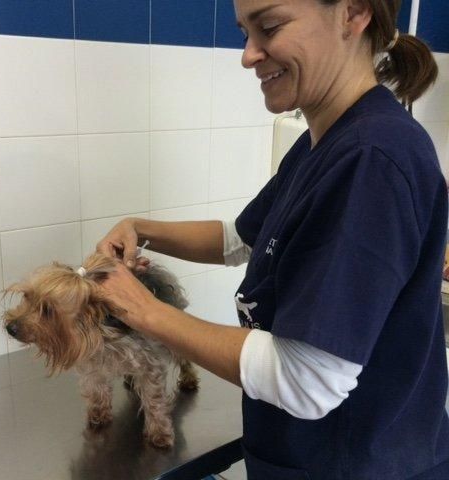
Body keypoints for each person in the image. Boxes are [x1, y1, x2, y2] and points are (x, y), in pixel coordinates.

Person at [95, 0, 449, 478]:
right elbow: (241, 240)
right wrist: (143, 229)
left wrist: (144, 310)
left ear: (353, 13)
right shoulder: (322, 140)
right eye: (245, 32)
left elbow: (306, 381)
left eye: (269, 27)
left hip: (353, 462)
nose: (248, 55)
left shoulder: (372, 159)